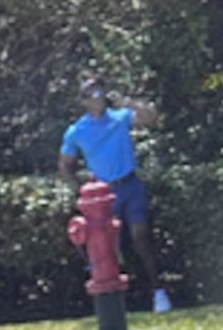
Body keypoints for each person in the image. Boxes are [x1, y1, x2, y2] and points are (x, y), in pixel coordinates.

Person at [57, 73, 172, 313]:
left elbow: (152, 118)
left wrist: (128, 102)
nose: (98, 98)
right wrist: (82, 192)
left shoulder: (120, 118)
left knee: (140, 237)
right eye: (91, 95)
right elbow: (65, 166)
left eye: (101, 92)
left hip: (130, 185)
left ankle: (159, 292)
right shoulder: (77, 131)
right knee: (108, 248)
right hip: (103, 196)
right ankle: (119, 301)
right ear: (84, 101)